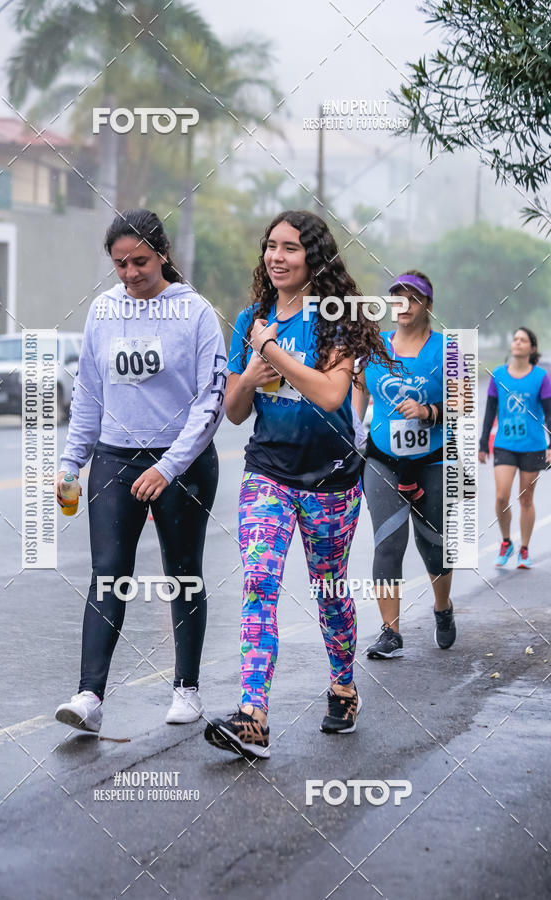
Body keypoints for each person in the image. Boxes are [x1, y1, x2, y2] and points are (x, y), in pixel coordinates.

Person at [203, 210, 396, 759]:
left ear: (314, 256)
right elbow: (235, 412)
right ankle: (253, 717)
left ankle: (343, 686)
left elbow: (332, 395)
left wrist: (270, 352)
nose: (276, 256)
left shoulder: (337, 318)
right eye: (271, 246)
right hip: (268, 472)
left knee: (329, 589)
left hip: (331, 480)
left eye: (290, 247)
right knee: (259, 584)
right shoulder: (252, 319)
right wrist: (249, 376)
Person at [54, 209, 226, 733]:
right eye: (120, 264)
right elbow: (89, 392)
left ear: (163, 255)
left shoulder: (196, 313)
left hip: (183, 462)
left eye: (141, 262)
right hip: (115, 457)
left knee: (183, 573)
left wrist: (169, 467)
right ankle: (89, 697)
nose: (130, 273)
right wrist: (71, 463)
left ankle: (187, 688)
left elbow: (211, 402)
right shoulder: (104, 311)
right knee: (108, 573)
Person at [353, 270, 457, 660]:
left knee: (434, 545)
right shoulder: (373, 346)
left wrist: (429, 411)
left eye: (413, 298)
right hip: (383, 459)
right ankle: (390, 633)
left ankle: (442, 607)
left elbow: (464, 403)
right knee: (388, 543)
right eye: (398, 297)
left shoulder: (447, 349)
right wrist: (353, 433)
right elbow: (359, 389)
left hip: (432, 459)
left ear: (428, 305)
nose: (404, 305)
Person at [479, 327, 551, 568]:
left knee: (526, 499)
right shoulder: (498, 375)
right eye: (515, 339)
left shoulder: (540, 377)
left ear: (532, 348)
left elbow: (549, 413)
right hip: (505, 444)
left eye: (523, 340)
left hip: (533, 445)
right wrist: (482, 443)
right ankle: (506, 541)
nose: (517, 342)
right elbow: (490, 410)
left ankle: (524, 549)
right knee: (501, 496)